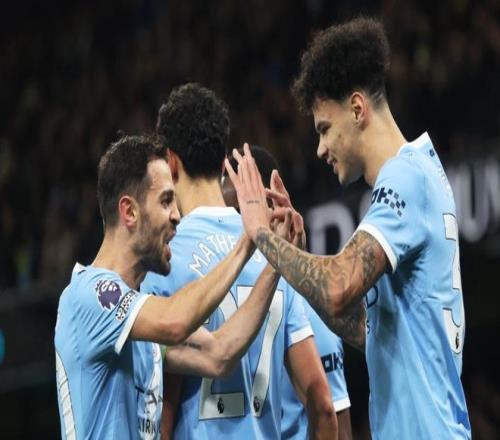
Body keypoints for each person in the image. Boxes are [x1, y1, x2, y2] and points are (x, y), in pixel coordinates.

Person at [225, 17, 471, 439]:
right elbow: (367, 328)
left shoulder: (404, 179)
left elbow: (338, 287)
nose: (320, 148)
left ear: (357, 109)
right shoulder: (420, 172)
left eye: (324, 128)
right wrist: (297, 253)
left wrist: (261, 233)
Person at [54, 134, 295, 439]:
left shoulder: (140, 320)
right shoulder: (88, 295)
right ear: (129, 211)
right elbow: (175, 321)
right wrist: (248, 239)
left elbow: (219, 354)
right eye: (166, 201)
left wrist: (275, 263)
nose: (177, 216)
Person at [141, 83, 337, 439]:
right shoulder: (274, 253)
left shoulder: (164, 261)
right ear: (222, 163)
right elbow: (322, 404)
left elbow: (161, 418)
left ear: (171, 162)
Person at [223, 146, 353, 440]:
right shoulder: (223, 303)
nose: (231, 230)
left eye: (240, 214)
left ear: (273, 210)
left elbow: (335, 424)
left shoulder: (308, 310)